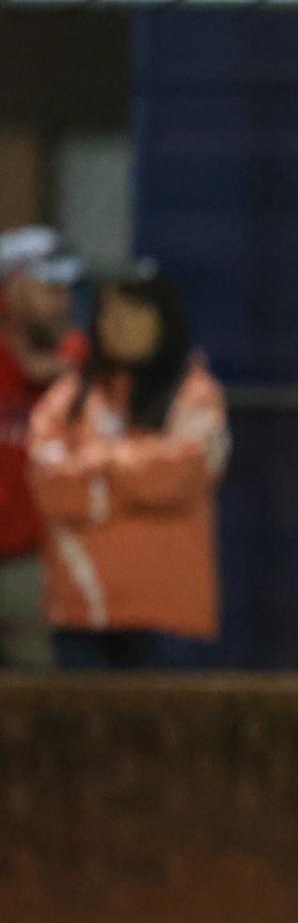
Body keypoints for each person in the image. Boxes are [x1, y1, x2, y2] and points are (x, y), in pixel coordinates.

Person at [27, 264, 228, 668]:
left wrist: (98, 467)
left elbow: (180, 473)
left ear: (162, 321)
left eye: (135, 314)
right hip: (82, 613)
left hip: (166, 617)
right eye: (109, 314)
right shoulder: (69, 399)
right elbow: (48, 482)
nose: (119, 326)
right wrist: (130, 474)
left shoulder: (194, 393)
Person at [0, 226, 85, 666]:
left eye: (65, 289)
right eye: (48, 288)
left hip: (38, 567)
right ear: (11, 290)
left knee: (41, 705)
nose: (63, 302)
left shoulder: (85, 364)